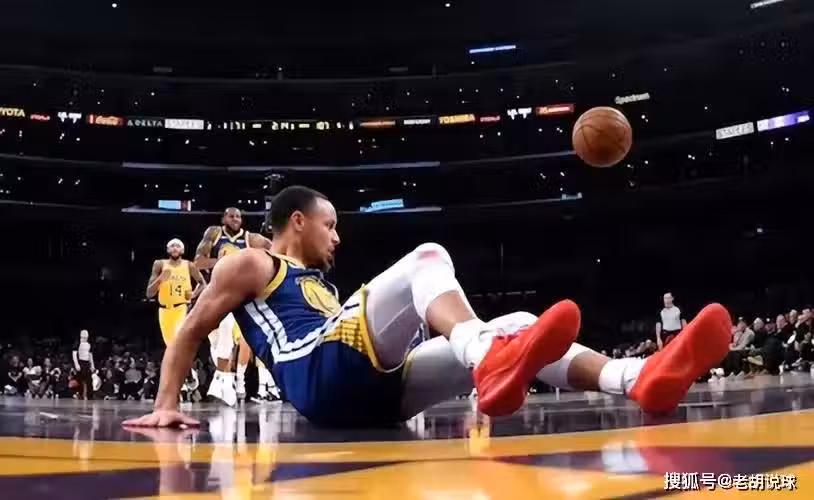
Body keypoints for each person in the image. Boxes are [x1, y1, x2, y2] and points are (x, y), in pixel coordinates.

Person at [124, 186, 732, 429]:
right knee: (426, 258)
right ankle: (486, 355)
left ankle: (637, 377)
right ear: (298, 221)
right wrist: (165, 405)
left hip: (372, 396)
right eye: (331, 225)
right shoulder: (253, 263)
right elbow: (190, 330)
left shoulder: (323, 286)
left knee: (521, 325)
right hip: (316, 370)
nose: (338, 237)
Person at [193, 208, 276, 406]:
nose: (236, 219)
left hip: (235, 295)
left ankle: (223, 381)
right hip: (213, 292)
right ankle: (226, 380)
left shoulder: (250, 238)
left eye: (238, 216)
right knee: (216, 342)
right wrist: (225, 261)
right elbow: (198, 262)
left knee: (227, 332)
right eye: (231, 216)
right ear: (223, 218)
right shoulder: (214, 233)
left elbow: (276, 249)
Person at [146, 238, 206, 346]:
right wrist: (160, 279)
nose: (175, 248)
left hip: (181, 308)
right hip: (164, 310)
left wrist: (194, 294)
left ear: (182, 250)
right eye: (172, 246)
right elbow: (149, 293)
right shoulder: (159, 264)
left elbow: (202, 283)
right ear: (168, 249)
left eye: (178, 246)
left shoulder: (189, 265)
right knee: (170, 346)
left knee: (178, 341)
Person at [72, 330, 95, 400]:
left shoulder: (89, 343)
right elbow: (74, 354)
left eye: (86, 337)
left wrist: (92, 365)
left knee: (89, 380)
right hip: (80, 362)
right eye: (83, 337)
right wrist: (76, 364)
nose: (85, 338)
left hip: (87, 362)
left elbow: (90, 354)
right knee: (80, 379)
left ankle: (90, 395)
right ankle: (80, 394)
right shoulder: (78, 343)